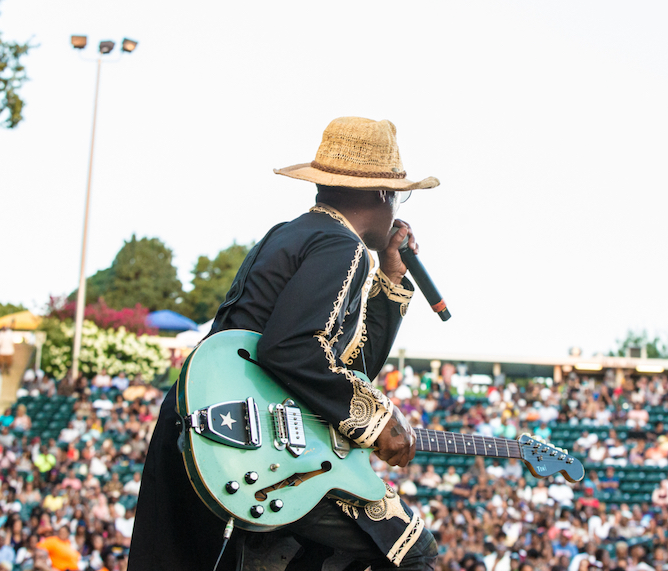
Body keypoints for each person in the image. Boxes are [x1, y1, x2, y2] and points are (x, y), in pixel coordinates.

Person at [130, 117, 440, 571]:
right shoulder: (343, 247)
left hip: (219, 428)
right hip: (253, 438)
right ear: (382, 194)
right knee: (413, 553)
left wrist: (390, 278)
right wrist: (377, 418)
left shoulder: (290, 233)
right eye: (398, 196)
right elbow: (292, 348)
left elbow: (347, 366)